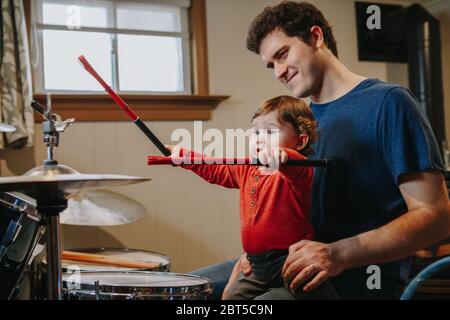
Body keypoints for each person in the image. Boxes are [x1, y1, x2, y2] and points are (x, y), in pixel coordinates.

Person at [190, 1, 450, 300]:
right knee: (179, 289)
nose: (278, 72)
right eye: (271, 64)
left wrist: (337, 254)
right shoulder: (298, 123)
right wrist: (259, 256)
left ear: (316, 37)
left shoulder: (388, 103)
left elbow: (436, 217)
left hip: (353, 280)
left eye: (282, 54)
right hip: (280, 265)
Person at [165, 96, 337, 299]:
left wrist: (282, 155)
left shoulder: (298, 172)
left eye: (270, 132)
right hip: (256, 265)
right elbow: (215, 169)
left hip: (292, 260)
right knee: (230, 298)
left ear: (300, 141)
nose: (260, 138)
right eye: (255, 132)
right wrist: (184, 156)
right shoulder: (248, 170)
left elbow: (295, 165)